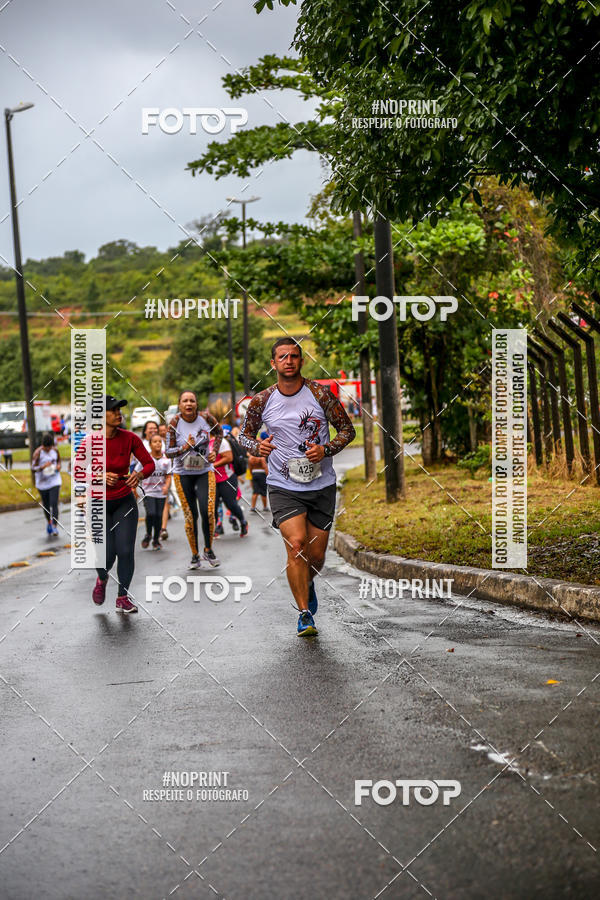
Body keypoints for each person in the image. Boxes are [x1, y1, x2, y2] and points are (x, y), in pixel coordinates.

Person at [240, 337, 355, 637]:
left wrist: (326, 449)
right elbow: (244, 436)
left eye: (293, 356)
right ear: (273, 363)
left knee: (315, 557)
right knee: (296, 545)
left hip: (321, 484)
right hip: (283, 485)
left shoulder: (320, 394)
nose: (288, 361)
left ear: (301, 361)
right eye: (282, 357)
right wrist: (257, 447)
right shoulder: (262, 400)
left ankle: (308, 581)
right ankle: (304, 614)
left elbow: (347, 430)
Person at [76, 395, 155, 614]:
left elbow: (149, 464)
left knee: (126, 551)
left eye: (119, 409)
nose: (118, 413)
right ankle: (102, 579)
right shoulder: (90, 442)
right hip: (98, 504)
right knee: (107, 555)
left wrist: (138, 475)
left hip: (124, 502)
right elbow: (77, 471)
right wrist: (99, 477)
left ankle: (122, 597)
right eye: (113, 410)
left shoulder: (130, 438)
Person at [166, 390, 222, 569]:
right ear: (180, 405)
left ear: (197, 404)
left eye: (192, 401)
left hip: (204, 471)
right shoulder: (174, 423)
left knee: (209, 512)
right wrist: (185, 447)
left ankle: (208, 549)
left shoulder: (206, 418)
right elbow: (168, 452)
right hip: (182, 474)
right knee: (191, 516)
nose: (188, 404)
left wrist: (215, 451)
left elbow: (219, 433)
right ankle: (195, 555)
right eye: (185, 401)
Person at [212, 426, 248, 537]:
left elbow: (229, 458)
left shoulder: (221, 441)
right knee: (213, 506)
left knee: (231, 504)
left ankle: (243, 522)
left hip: (226, 478)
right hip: (211, 480)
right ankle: (217, 527)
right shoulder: (202, 442)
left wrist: (211, 466)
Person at [137, 433, 171, 550]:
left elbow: (168, 476)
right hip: (148, 492)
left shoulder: (166, 460)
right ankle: (148, 534)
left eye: (160, 441)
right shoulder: (145, 459)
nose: (158, 444)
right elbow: (136, 473)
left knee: (158, 516)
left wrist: (166, 486)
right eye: (155, 442)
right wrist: (134, 487)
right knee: (151, 513)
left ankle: (156, 540)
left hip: (160, 493)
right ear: (150, 445)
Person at [31, 433, 62, 536]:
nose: (48, 450)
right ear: (42, 445)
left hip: (54, 480)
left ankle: (54, 526)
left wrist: (58, 467)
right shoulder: (38, 453)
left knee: (54, 503)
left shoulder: (55, 451)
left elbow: (59, 462)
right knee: (46, 505)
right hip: (42, 482)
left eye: (50, 447)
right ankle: (49, 522)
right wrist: (43, 467)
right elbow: (33, 469)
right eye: (46, 448)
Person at [158, 422, 170, 539]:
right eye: (160, 430)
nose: (162, 432)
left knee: (165, 499)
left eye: (164, 430)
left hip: (167, 473)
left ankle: (163, 529)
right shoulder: (155, 442)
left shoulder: (170, 441)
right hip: (152, 476)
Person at [248, 441, 268, 512]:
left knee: (255, 491)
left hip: (254, 474)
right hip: (262, 474)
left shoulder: (251, 458)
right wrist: (268, 475)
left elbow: (250, 468)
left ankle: (253, 507)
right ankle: (265, 507)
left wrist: (251, 475)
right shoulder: (261, 458)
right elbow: (265, 467)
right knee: (263, 491)